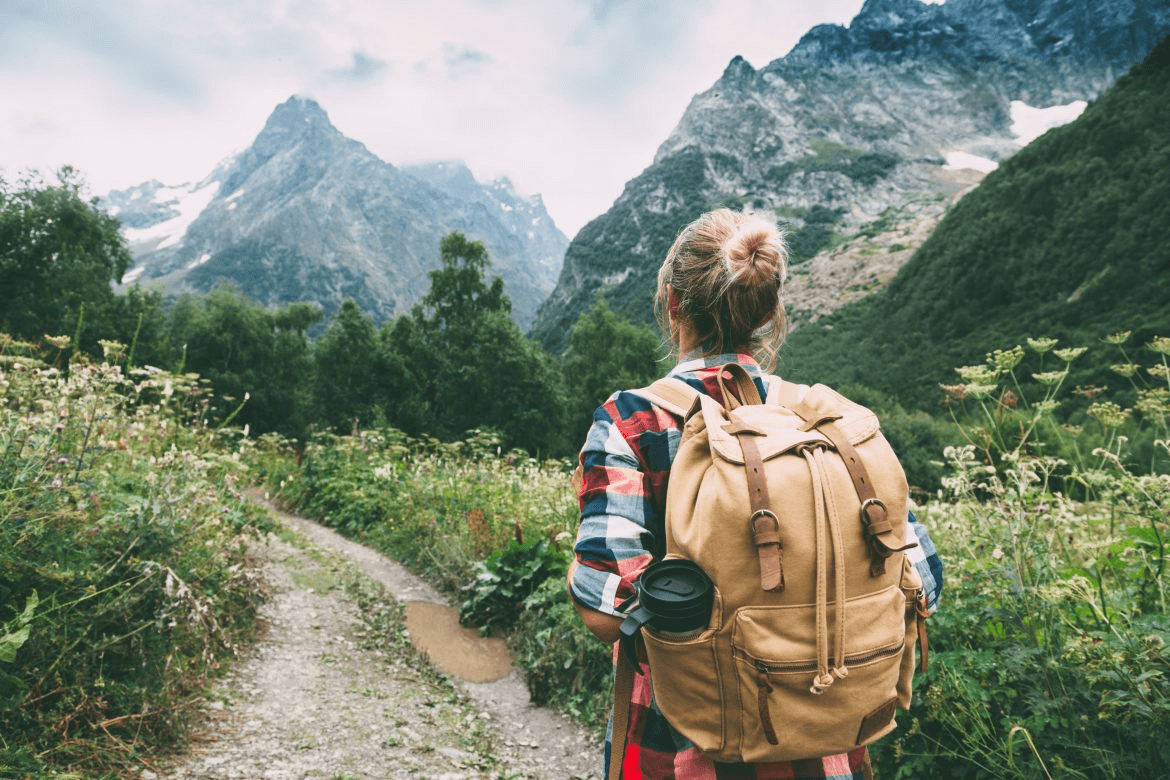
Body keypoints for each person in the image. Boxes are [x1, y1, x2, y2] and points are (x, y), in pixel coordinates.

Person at [566, 208, 943, 780]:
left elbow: (601, 608)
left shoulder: (635, 422)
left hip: (684, 747)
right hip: (829, 746)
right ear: (769, 311)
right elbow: (924, 581)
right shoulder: (824, 423)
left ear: (672, 303)